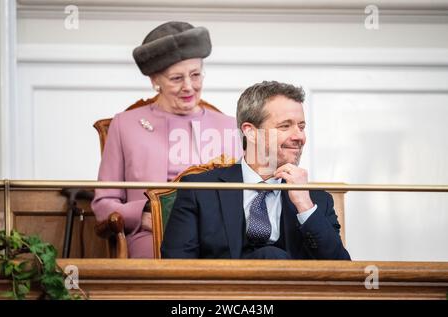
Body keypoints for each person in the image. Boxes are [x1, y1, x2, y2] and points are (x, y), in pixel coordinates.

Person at [92, 21, 242, 258]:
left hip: (217, 240)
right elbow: (103, 204)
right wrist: (140, 214)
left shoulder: (228, 126)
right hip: (153, 237)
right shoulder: (125, 125)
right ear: (155, 80)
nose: (189, 87)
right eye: (176, 78)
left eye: (195, 75)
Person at [161, 81, 350, 260]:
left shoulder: (317, 201)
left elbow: (341, 272)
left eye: (301, 127)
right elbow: (176, 268)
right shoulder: (200, 190)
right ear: (250, 132)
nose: (299, 136)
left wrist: (305, 207)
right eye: (285, 126)